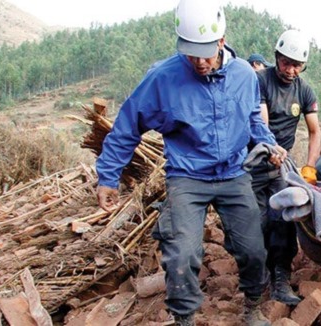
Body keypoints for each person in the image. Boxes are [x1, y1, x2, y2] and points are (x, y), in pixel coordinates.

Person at [95, 0, 285, 325]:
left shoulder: (243, 76)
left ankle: (252, 307)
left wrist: (268, 143)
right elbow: (127, 125)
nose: (199, 62)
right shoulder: (163, 78)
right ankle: (184, 318)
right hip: (187, 177)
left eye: (206, 52)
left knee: (254, 249)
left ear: (222, 41)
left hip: (234, 173)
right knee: (182, 255)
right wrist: (108, 178)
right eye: (191, 53)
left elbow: (253, 118)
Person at [249, 29, 321, 306]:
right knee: (255, 222)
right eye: (286, 62)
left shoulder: (304, 90)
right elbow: (261, 122)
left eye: (297, 65)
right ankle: (256, 276)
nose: (290, 70)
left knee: (284, 219)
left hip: (282, 166)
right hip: (255, 161)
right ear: (276, 57)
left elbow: (314, 130)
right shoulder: (260, 80)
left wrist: (310, 166)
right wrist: (269, 148)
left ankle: (280, 277)